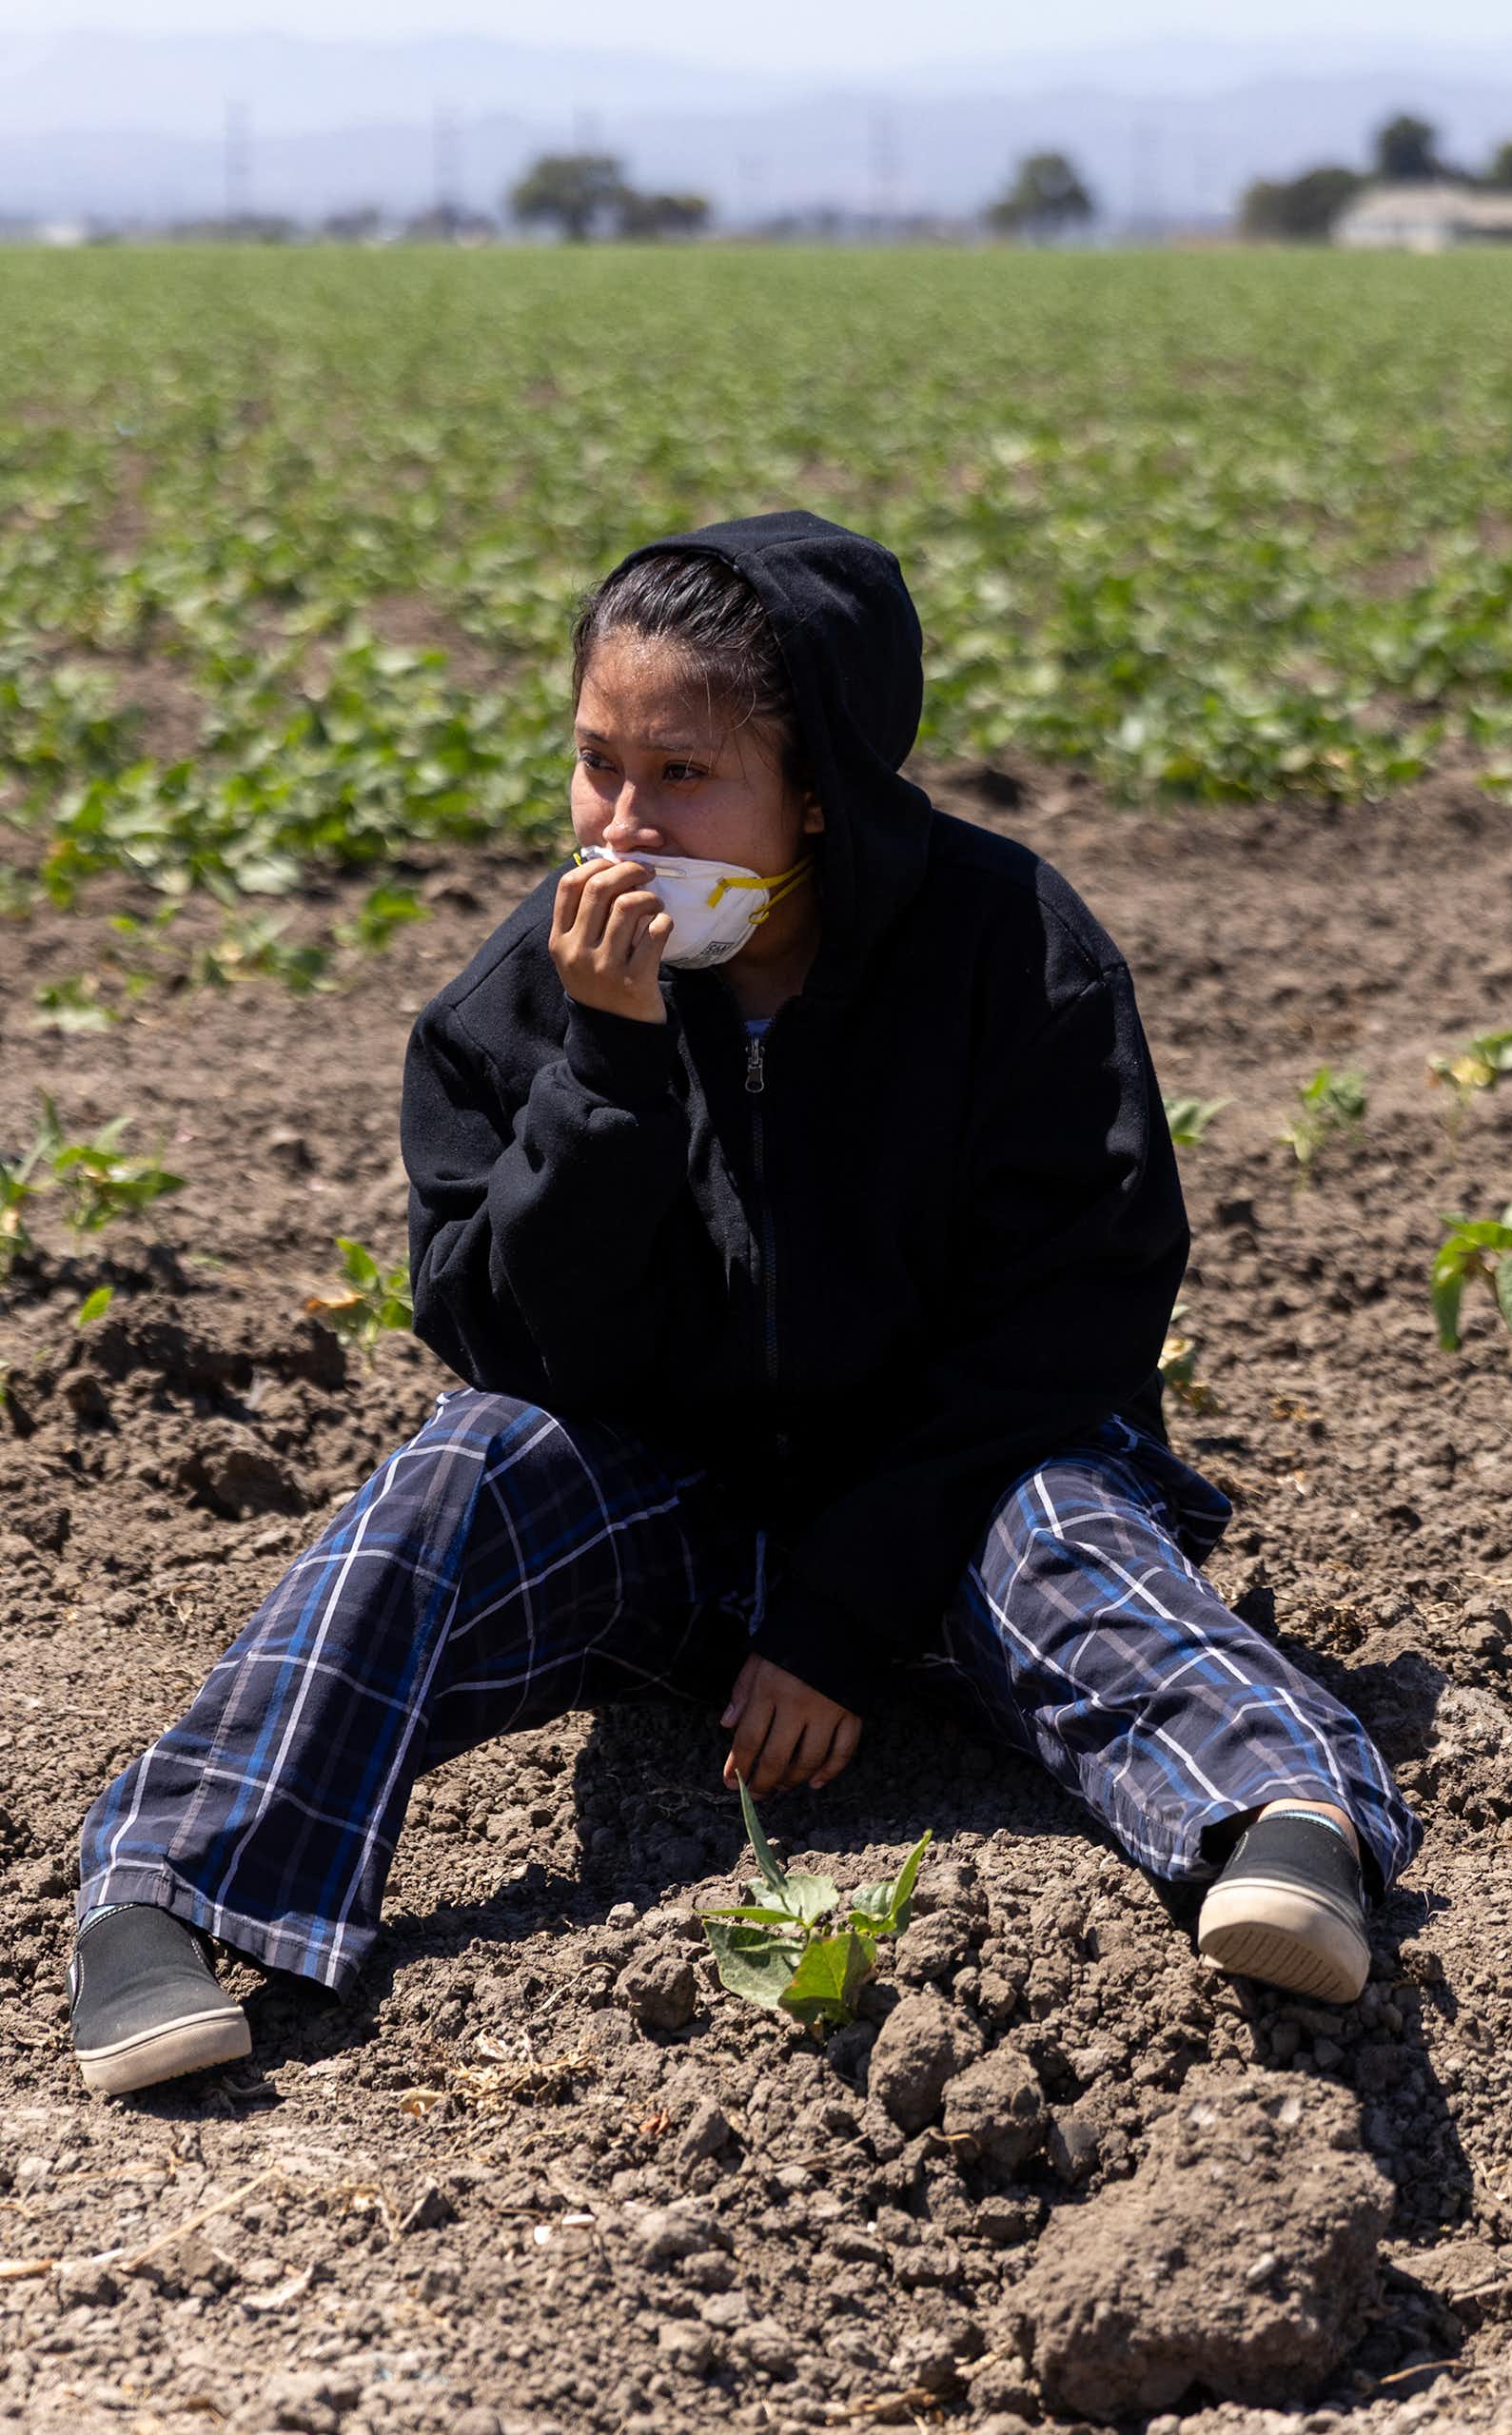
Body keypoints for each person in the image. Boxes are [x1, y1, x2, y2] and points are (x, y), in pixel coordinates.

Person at [68, 510, 1419, 2098]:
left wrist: (841, 1610)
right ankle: (164, 1888)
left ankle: (1283, 1814)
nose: (623, 826)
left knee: (1065, 1517)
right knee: (451, 1473)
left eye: (685, 775)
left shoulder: (1007, 949)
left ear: (822, 788)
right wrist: (614, 1063)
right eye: (596, 766)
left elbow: (1073, 1324)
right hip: (672, 1526)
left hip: (947, 1506)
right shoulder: (525, 994)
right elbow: (507, 1339)